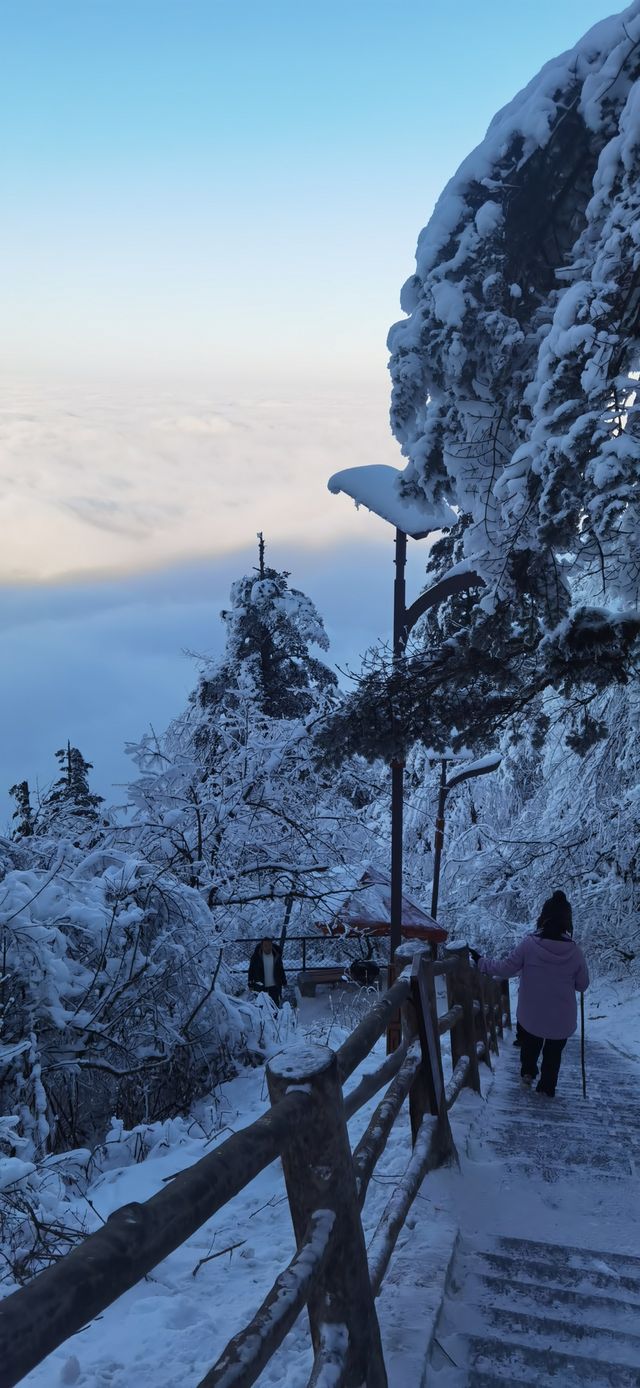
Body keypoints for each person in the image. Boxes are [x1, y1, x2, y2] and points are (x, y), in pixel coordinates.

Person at [477, 890, 589, 1097]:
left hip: (532, 1013)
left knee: (531, 1043)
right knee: (553, 1053)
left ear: (543, 917)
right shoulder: (575, 951)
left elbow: (505, 968)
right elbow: (582, 985)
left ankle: (528, 1071)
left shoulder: (529, 945)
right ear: (567, 921)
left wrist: (481, 962)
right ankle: (547, 1087)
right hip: (562, 1017)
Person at [248, 937, 287, 1007]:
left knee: (275, 1006)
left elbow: (281, 969)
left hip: (274, 986)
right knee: (262, 1006)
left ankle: (275, 1017)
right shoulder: (256, 957)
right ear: (262, 946)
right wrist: (250, 984)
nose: (268, 947)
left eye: (269, 945)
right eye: (265, 945)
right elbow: (251, 970)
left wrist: (284, 982)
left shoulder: (276, 955)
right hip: (261, 986)